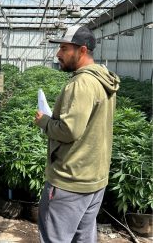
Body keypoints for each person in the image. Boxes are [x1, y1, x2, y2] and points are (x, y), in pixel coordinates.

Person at [35, 25, 120, 243]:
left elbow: (68, 131)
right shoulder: (103, 80)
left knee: (55, 238)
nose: (58, 54)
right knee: (83, 238)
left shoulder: (81, 83)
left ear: (82, 51)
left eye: (64, 48)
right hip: (94, 178)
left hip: (69, 181)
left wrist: (43, 121)